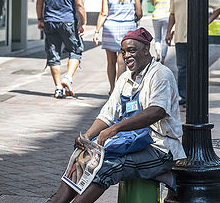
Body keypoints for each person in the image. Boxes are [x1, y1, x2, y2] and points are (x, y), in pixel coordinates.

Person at [49, 27, 186, 203]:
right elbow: (108, 113)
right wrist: (87, 137)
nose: (126, 56)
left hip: (160, 148)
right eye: (123, 52)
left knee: (107, 167)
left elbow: (156, 111)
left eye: (132, 50)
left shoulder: (160, 75)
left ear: (146, 49)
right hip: (130, 143)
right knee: (82, 159)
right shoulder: (124, 79)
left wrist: (115, 129)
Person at [165, 0, 220, 106]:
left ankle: (195, 97)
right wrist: (168, 32)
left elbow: (219, 6)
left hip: (196, 37)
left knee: (196, 67)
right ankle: (184, 96)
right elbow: (172, 14)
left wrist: (206, 22)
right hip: (180, 35)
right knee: (182, 67)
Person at [36, 0, 86, 99]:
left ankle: (58, 88)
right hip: (68, 21)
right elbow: (79, 4)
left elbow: (39, 2)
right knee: (76, 50)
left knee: (53, 54)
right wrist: (83, 22)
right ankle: (68, 78)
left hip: (50, 21)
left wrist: (40, 19)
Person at [93, 0, 142, 95]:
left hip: (110, 28)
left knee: (111, 60)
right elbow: (139, 13)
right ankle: (120, 89)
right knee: (123, 58)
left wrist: (97, 31)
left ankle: (112, 88)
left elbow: (103, 13)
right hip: (127, 29)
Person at [149, 0, 172, 64]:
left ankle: (157, 52)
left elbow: (152, 2)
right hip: (166, 15)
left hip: (156, 16)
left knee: (157, 37)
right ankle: (163, 57)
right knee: (165, 37)